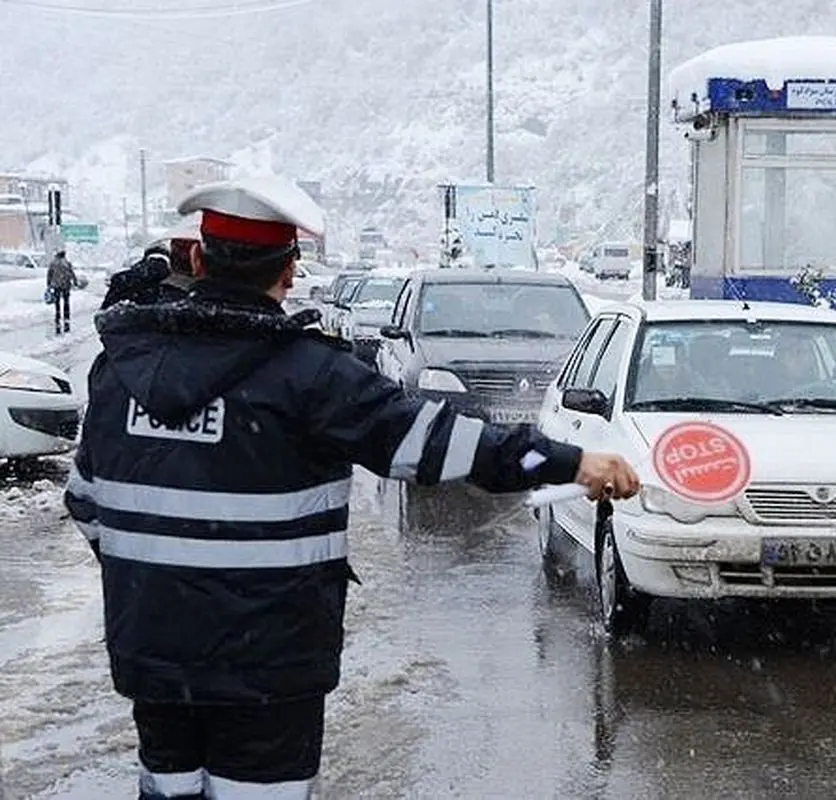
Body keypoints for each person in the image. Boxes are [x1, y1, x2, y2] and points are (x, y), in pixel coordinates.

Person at [63, 175, 640, 799]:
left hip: (153, 657)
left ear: (198, 260)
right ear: (288, 273)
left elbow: (87, 504)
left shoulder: (121, 371)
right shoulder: (312, 378)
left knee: (167, 789)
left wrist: (165, 584)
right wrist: (572, 463)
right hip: (269, 666)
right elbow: (443, 446)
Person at [101, 215, 202, 309]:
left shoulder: (130, 281)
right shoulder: (203, 298)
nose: (181, 251)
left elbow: (104, 319)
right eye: (179, 246)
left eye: (183, 247)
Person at [46, 248, 79, 334]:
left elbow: (49, 274)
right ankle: (66, 318)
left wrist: (49, 284)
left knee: (57, 303)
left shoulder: (53, 263)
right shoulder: (67, 263)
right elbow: (72, 273)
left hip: (56, 286)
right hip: (65, 285)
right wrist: (75, 282)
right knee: (66, 303)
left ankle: (57, 317)